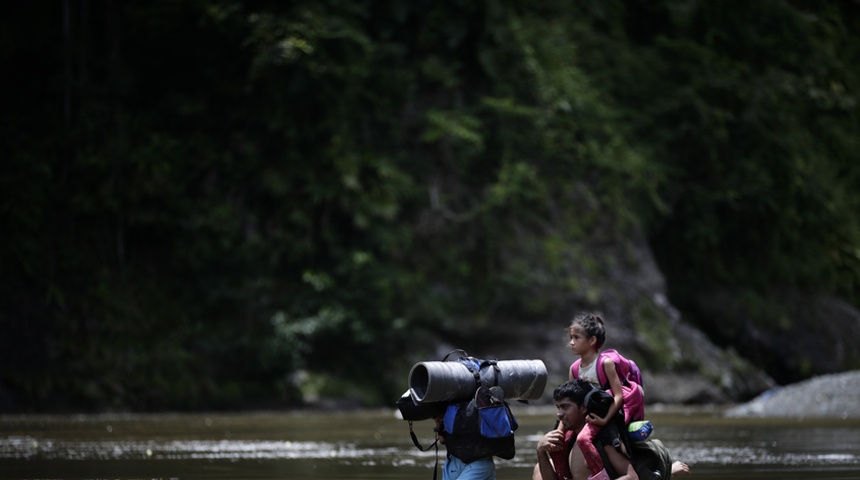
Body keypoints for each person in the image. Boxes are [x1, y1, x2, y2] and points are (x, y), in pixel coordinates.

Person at [533, 380, 691, 480]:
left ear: (583, 408)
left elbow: (631, 477)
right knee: (539, 469)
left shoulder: (602, 439)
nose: (559, 414)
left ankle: (666, 472)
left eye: (565, 407)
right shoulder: (568, 439)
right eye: (558, 407)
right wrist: (541, 451)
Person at [568, 313, 634, 479]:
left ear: (592, 341)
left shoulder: (605, 364)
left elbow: (618, 396)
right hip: (585, 417)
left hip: (605, 415)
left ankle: (600, 476)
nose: (571, 342)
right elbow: (572, 399)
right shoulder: (574, 369)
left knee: (584, 439)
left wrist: (604, 420)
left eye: (576, 337)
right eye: (570, 337)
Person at [433, 413, 496, 480]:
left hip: (455, 458)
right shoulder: (482, 405)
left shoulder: (448, 407)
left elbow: (442, 439)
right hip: (479, 459)